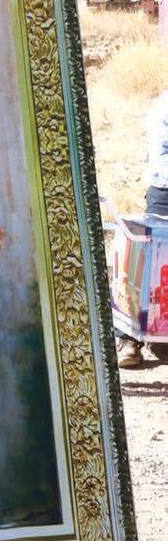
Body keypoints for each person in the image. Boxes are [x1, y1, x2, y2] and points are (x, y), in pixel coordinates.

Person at [117, 89, 168, 368]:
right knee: (148, 257)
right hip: (166, 193)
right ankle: (128, 338)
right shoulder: (164, 105)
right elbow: (162, 164)